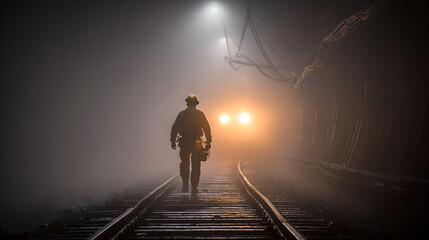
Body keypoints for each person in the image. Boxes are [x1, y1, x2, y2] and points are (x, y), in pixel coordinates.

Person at [170, 94, 212, 193]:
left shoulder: (182, 114)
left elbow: (175, 127)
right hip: (196, 142)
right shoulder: (200, 114)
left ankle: (185, 185)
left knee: (184, 163)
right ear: (196, 104)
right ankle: (194, 187)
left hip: (184, 142)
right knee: (196, 164)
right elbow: (207, 129)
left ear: (187, 103)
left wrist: (172, 140)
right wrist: (209, 142)